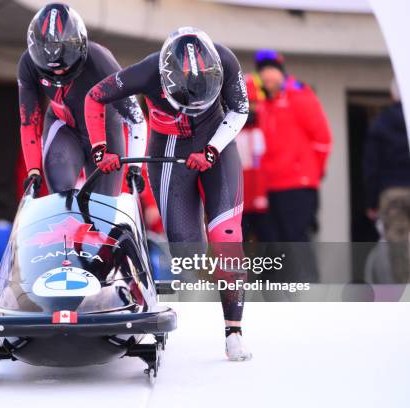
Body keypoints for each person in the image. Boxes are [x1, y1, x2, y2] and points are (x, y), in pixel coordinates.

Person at [85, 27, 252, 361]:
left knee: (227, 238)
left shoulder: (226, 61)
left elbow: (239, 110)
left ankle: (233, 331)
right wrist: (101, 149)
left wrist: (212, 150)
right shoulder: (147, 71)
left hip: (212, 140)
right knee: (186, 252)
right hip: (168, 148)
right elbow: (94, 97)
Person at [18, 3, 147, 197]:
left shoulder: (100, 60)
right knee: (62, 199)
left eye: (64, 66)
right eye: (50, 68)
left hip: (105, 132)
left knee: (102, 208)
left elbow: (136, 118)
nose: (58, 72)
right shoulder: (27, 64)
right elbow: (29, 122)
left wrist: (135, 166)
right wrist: (33, 171)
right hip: (63, 127)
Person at [255, 49, 332, 243]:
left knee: (297, 244)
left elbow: (323, 139)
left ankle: (304, 276)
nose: (266, 75)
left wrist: (313, 172)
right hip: (271, 186)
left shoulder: (299, 97)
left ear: (281, 72)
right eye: (262, 70)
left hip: (298, 185)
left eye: (271, 69)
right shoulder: (264, 105)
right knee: (277, 247)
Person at [363, 79, 410, 283]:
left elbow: (372, 165)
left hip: (392, 193)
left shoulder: (382, 122)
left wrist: (371, 202)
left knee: (398, 248)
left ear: (392, 95)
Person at [236, 73, 271, 242]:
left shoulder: (264, 127)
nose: (251, 109)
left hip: (264, 198)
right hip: (238, 199)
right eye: (248, 103)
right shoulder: (229, 130)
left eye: (255, 103)